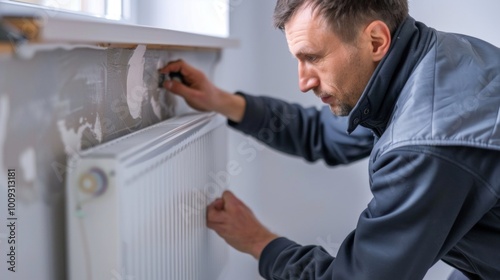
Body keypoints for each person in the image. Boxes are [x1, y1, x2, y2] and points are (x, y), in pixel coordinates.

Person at [160, 0, 500, 279]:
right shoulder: (435, 58)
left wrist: (260, 243)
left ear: (376, 41)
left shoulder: (424, 144)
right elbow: (322, 133)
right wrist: (221, 101)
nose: (303, 82)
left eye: (313, 57)